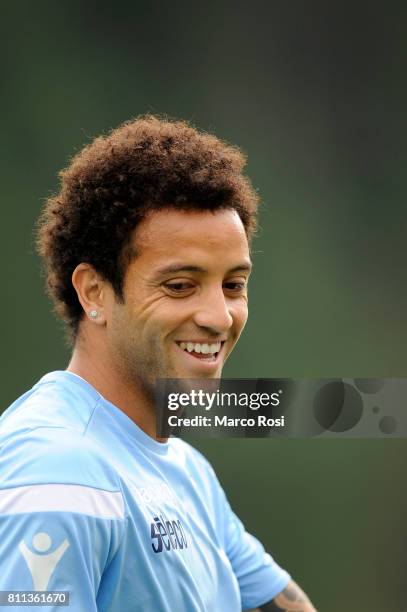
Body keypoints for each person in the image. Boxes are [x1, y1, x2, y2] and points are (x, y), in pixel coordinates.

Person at [0, 116, 317, 611]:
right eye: (179, 285)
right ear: (94, 292)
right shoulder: (59, 471)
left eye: (233, 285)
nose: (219, 317)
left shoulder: (187, 473)